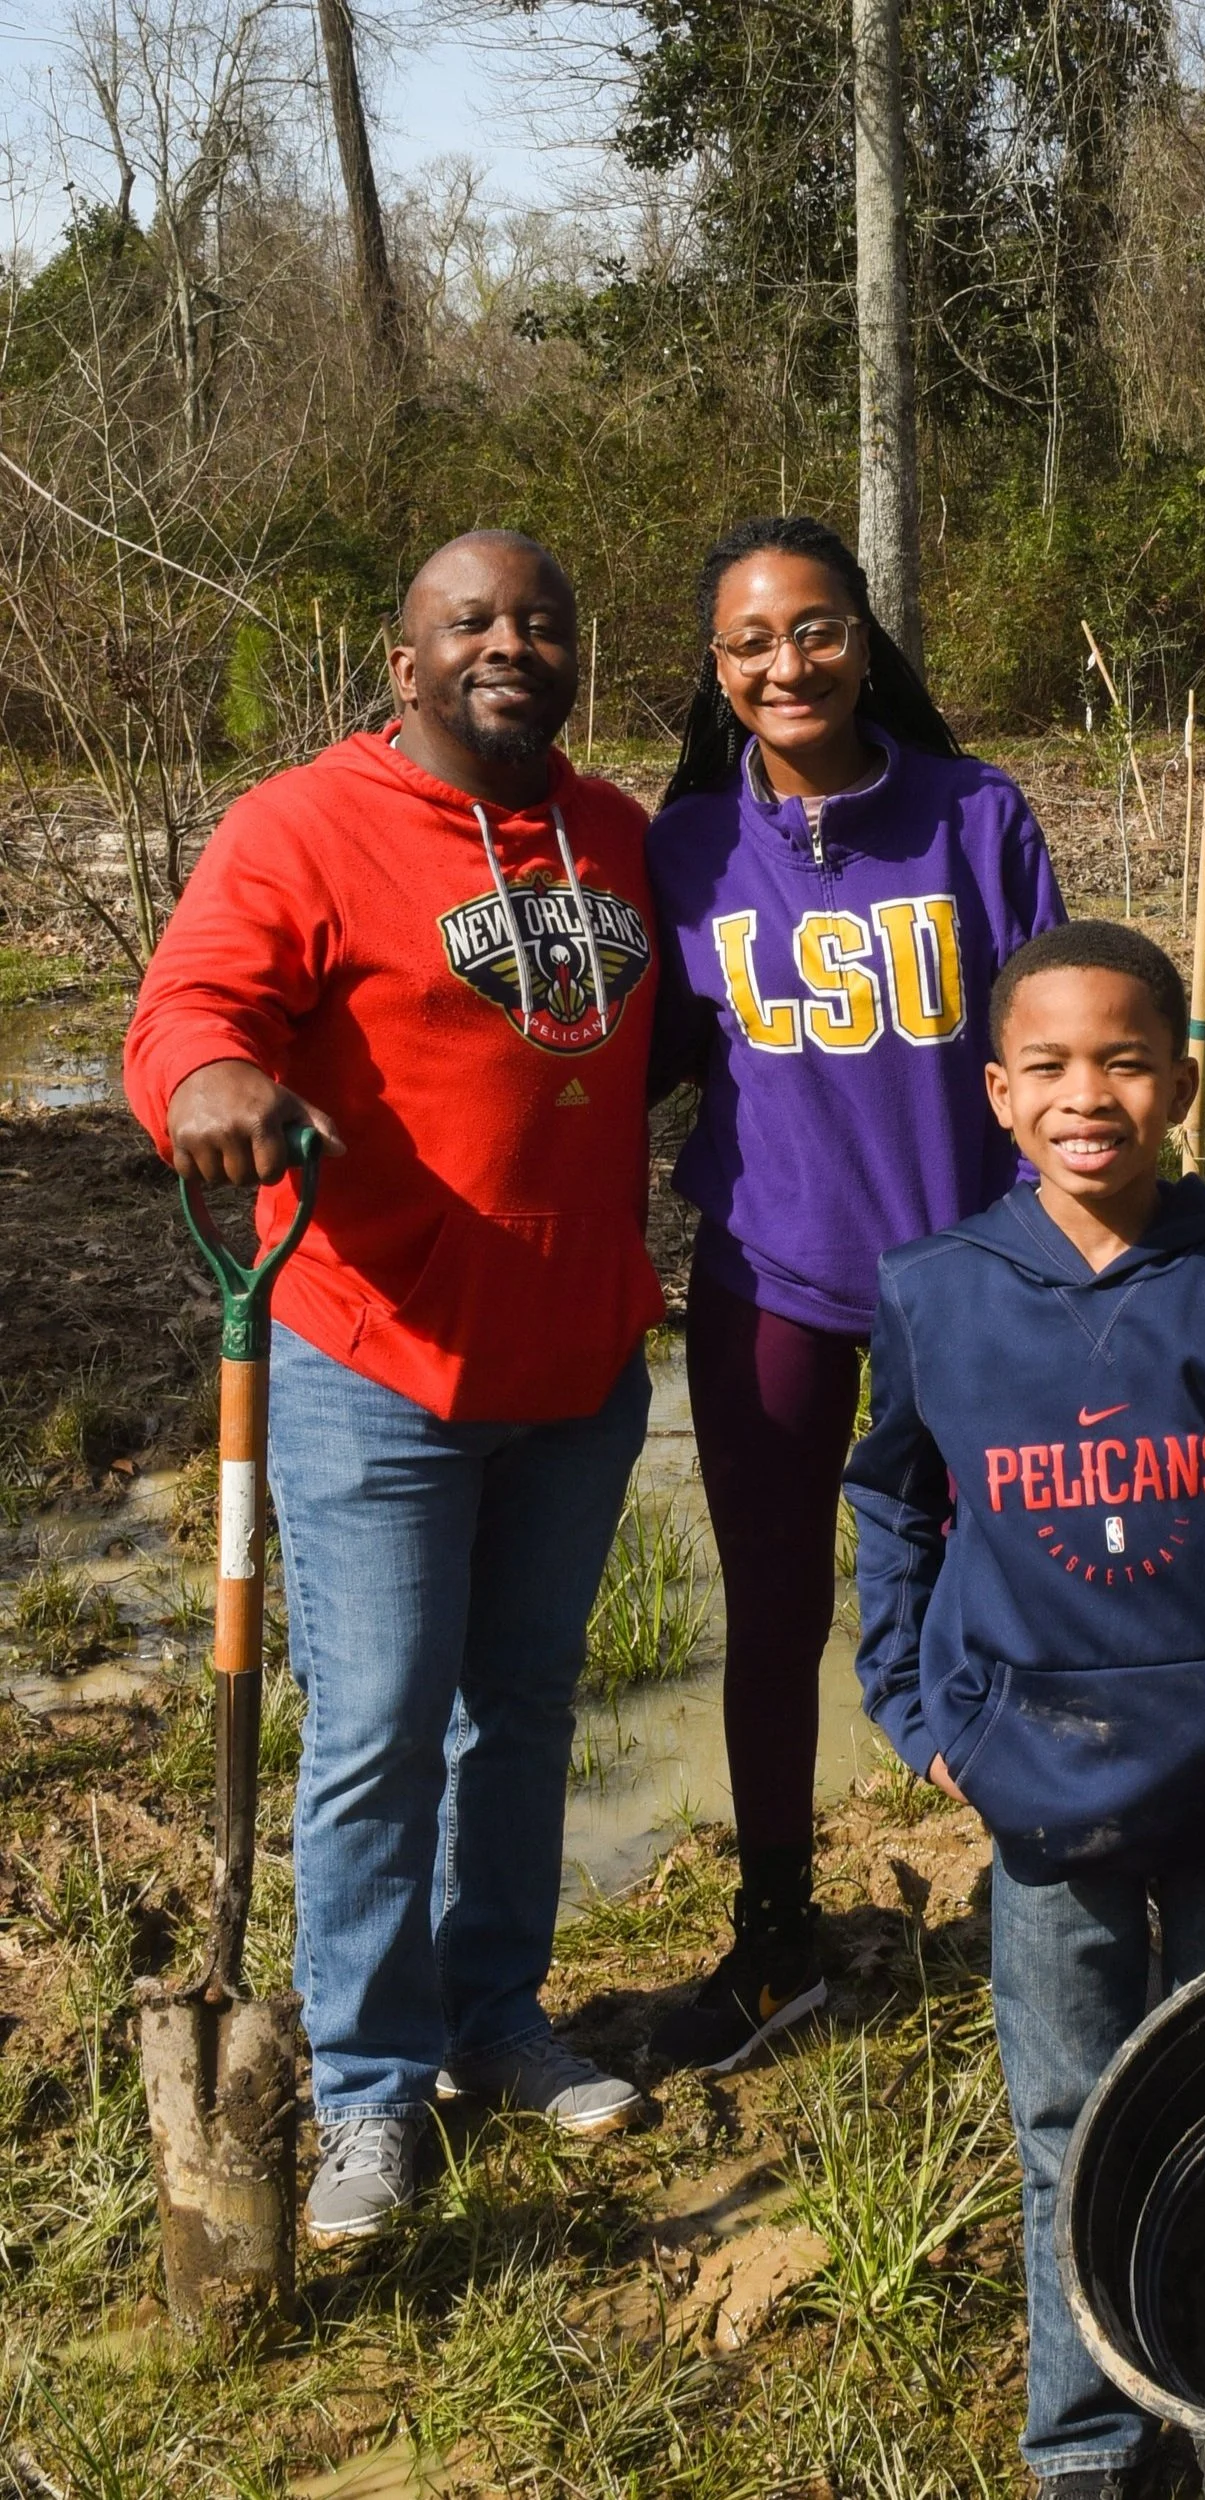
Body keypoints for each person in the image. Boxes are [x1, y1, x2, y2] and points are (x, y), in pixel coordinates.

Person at [124, 531, 660, 2244]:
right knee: (373, 1734)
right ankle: (361, 2082)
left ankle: (496, 2015)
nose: (513, 642)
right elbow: (190, 1007)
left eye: (543, 622)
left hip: (576, 1362)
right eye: (473, 621)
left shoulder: (621, 834)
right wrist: (212, 1076)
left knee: (524, 1712)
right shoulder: (301, 826)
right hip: (373, 1361)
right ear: (404, 656)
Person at [845, 921, 1205, 2500]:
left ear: (1181, 1084)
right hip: (1039, 1795)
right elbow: (893, 1503)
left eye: (1126, 1060)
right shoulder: (935, 1295)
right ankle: (1088, 2443)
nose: (1089, 1094)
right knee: (1070, 2124)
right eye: (1050, 1066)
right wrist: (916, 1706)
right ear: (997, 1096)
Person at [640, 515, 1064, 2075]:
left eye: (814, 630)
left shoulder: (976, 817)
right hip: (769, 1285)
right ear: (718, 669)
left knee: (1011, 1591)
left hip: (966, 1284)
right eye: (751, 642)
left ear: (865, 638)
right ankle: (775, 1937)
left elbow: (1050, 1054)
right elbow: (634, 1068)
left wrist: (1066, 1257)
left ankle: (1051, 1887)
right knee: (774, 1610)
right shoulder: (683, 850)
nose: (785, 664)